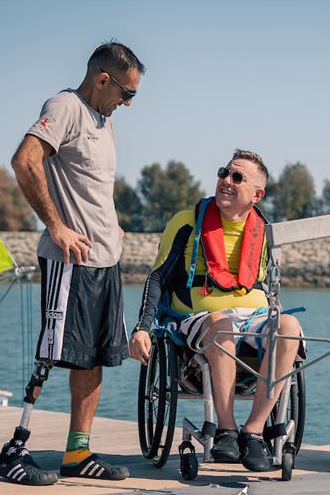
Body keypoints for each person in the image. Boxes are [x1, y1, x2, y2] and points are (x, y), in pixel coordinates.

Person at [0, 42, 145, 485]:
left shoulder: (105, 119)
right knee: (51, 351)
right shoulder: (65, 107)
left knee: (93, 359)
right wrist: (56, 226)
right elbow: (24, 161)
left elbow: (94, 184)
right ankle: (14, 450)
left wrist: (112, 226)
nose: (128, 103)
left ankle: (78, 453)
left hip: (105, 259)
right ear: (103, 79)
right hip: (70, 261)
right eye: (127, 93)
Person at [129, 149, 303, 472]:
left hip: (253, 319)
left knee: (289, 325)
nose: (226, 180)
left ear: (257, 194)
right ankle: (226, 429)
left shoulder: (264, 230)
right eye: (224, 172)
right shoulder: (186, 222)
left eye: (237, 177)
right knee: (221, 324)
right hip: (195, 321)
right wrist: (142, 326)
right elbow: (157, 278)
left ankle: (253, 431)